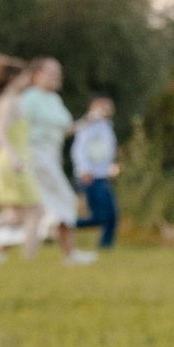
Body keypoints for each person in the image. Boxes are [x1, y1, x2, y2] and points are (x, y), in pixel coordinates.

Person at [0, 57, 91, 265]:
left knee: (39, 210)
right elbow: (11, 128)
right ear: (37, 75)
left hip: (51, 157)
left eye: (58, 72)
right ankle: (68, 254)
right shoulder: (29, 98)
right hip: (34, 157)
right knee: (61, 201)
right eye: (51, 72)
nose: (56, 77)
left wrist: (89, 120)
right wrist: (14, 156)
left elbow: (64, 130)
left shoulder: (54, 100)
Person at [71, 95, 119, 250]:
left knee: (111, 215)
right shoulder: (88, 125)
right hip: (90, 176)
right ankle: (61, 225)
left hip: (103, 175)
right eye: (102, 106)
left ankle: (106, 246)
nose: (106, 109)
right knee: (98, 217)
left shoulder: (107, 126)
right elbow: (79, 150)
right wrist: (84, 170)